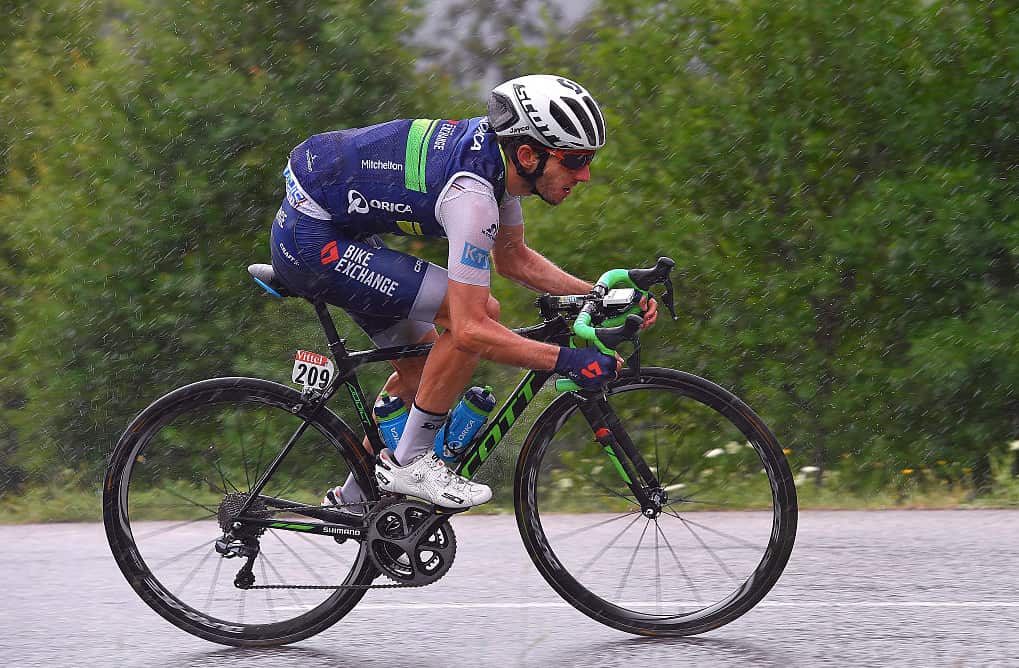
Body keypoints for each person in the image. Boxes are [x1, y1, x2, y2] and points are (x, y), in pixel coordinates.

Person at [268, 74, 657, 512]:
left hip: (336, 223)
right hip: (312, 239)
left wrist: (598, 295)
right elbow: (471, 328)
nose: (584, 175)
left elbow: (514, 259)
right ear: (528, 154)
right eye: (575, 160)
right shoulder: (472, 197)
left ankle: (354, 501)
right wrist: (568, 360)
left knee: (424, 374)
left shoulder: (498, 165)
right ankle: (411, 462)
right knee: (472, 314)